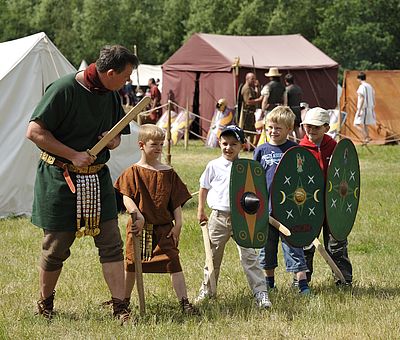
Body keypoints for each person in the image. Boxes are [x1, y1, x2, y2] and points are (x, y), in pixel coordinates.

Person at [26, 45, 138, 322]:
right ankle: (45, 304)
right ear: (110, 72)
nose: (127, 82)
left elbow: (116, 135)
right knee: (55, 248)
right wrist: (73, 155)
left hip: (98, 177)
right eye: (124, 76)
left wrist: (112, 139)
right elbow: (34, 131)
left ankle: (119, 306)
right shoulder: (64, 89)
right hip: (60, 179)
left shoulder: (110, 93)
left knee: (111, 243)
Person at [114, 124, 198, 315]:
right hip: (139, 229)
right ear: (141, 145)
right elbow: (126, 196)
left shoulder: (168, 172)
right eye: (154, 144)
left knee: (173, 262)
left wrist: (179, 225)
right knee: (131, 265)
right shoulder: (133, 172)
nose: (159, 148)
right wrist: (137, 213)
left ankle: (184, 303)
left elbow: (175, 201)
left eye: (161, 144)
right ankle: (123, 302)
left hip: (164, 229)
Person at [196, 125, 272, 308]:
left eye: (233, 144)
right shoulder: (213, 165)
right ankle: (208, 290)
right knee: (212, 256)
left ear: (242, 145)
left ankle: (261, 292)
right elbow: (203, 187)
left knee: (250, 256)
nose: (228, 147)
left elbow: (257, 193)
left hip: (243, 218)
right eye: (225, 143)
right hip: (219, 217)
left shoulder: (247, 168)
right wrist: (200, 210)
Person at [253, 106, 311, 295]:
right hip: (266, 211)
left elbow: (303, 179)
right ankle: (269, 283)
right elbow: (254, 179)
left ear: (289, 129)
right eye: (270, 127)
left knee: (294, 247)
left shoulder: (295, 150)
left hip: (290, 211)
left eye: (278, 128)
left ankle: (302, 284)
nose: (273, 131)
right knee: (266, 249)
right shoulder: (261, 151)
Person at [299, 107, 353, 285]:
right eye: (308, 126)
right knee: (306, 244)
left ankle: (343, 279)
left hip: (332, 204)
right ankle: (302, 282)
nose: (311, 131)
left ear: (326, 128)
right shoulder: (301, 150)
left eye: (316, 127)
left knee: (336, 244)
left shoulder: (335, 148)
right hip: (309, 205)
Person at [240, 73, 263, 148]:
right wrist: (259, 100)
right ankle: (246, 147)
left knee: (252, 130)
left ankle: (251, 146)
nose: (254, 80)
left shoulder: (251, 88)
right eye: (252, 79)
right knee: (247, 131)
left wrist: (257, 87)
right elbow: (248, 102)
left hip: (251, 113)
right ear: (247, 79)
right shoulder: (246, 89)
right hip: (247, 113)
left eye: (254, 78)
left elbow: (255, 95)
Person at [354, 72, 376, 144]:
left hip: (364, 108)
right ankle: (367, 139)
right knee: (365, 124)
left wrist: (359, 110)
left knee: (356, 124)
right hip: (369, 108)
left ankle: (367, 137)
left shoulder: (362, 86)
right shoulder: (370, 86)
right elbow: (373, 95)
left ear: (359, 78)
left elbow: (362, 98)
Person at [285, 73, 304, 140]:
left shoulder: (287, 89)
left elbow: (286, 102)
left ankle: (292, 145)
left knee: (290, 129)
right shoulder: (298, 88)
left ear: (286, 81)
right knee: (297, 129)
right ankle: (300, 144)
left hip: (290, 110)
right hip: (298, 109)